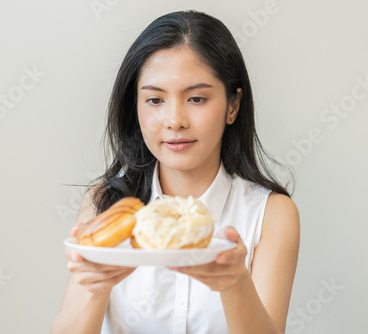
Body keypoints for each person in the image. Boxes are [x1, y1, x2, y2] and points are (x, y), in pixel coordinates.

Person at [51, 9, 299, 334]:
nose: (175, 120)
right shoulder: (106, 204)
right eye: (155, 100)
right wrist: (94, 288)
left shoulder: (271, 214)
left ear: (233, 105)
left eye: (196, 98)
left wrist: (235, 284)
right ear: (135, 106)